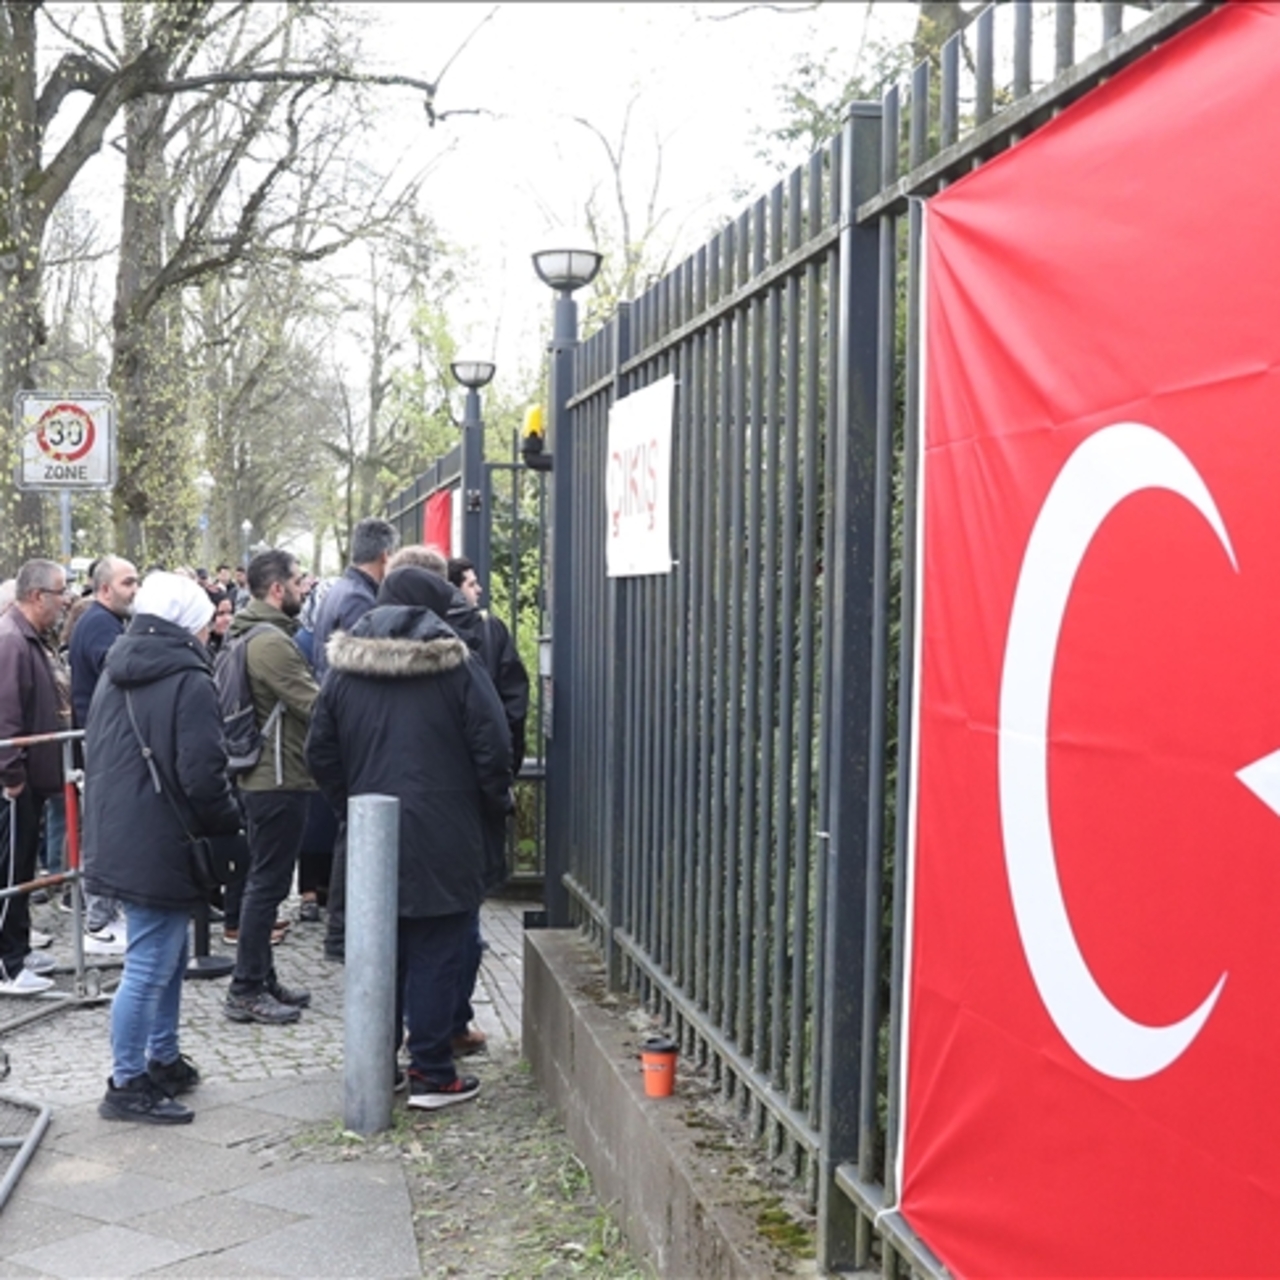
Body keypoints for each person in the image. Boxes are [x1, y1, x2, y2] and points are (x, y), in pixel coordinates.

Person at [305, 566, 512, 1109]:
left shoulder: (344, 674)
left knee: (381, 949)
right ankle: (432, 1069)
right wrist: (488, 808)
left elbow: (319, 753)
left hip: (371, 834)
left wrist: (353, 804)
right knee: (439, 950)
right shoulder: (456, 669)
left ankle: (380, 1065)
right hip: (446, 833)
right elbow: (494, 751)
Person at [82, 573, 242, 1123]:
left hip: (123, 829)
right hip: (162, 835)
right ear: (187, 623)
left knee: (165, 957)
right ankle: (127, 1082)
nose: (209, 631)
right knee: (151, 962)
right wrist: (229, 824)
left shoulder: (119, 666)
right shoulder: (188, 677)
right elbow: (203, 772)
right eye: (204, 620)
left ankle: (163, 1058)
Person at [224, 549, 318, 1025]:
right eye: (298, 582)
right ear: (277, 589)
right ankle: (245, 989)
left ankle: (261, 976)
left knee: (267, 880)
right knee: (267, 884)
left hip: (268, 775)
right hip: (276, 778)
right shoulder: (271, 643)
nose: (304, 589)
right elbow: (312, 705)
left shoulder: (253, 633)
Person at [313, 517, 399, 962]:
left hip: (341, 727)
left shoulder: (339, 594)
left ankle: (341, 929)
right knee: (357, 832)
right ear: (385, 557)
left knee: (352, 831)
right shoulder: (360, 602)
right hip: (354, 732)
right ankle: (345, 932)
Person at [0, 560, 70, 994]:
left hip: (29, 780)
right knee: (10, 873)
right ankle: (7, 963)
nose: (66, 600)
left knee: (22, 868)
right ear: (37, 595)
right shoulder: (11, 641)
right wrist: (12, 776)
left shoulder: (28, 639)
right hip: (14, 785)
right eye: (61, 592)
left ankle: (18, 949)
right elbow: (5, 716)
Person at [68, 554, 140, 954]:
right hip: (100, 742)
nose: (135, 590)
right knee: (104, 828)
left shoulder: (107, 622)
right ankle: (99, 921)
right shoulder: (98, 623)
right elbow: (119, 667)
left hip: (103, 739)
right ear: (105, 588)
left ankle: (107, 914)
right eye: (128, 582)